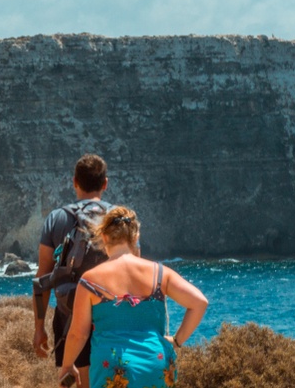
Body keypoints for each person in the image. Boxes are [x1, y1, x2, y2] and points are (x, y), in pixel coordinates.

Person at [57, 206, 208, 388]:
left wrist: (67, 365)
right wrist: (177, 340)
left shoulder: (90, 280)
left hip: (111, 366)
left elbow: (78, 334)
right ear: (135, 237)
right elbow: (199, 302)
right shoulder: (160, 273)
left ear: (104, 237)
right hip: (155, 363)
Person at [34, 153, 113, 388]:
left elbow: (42, 279)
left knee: (74, 382)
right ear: (105, 183)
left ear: (74, 182)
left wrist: (39, 328)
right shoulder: (120, 219)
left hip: (67, 318)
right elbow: (137, 276)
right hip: (111, 318)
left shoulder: (56, 219)